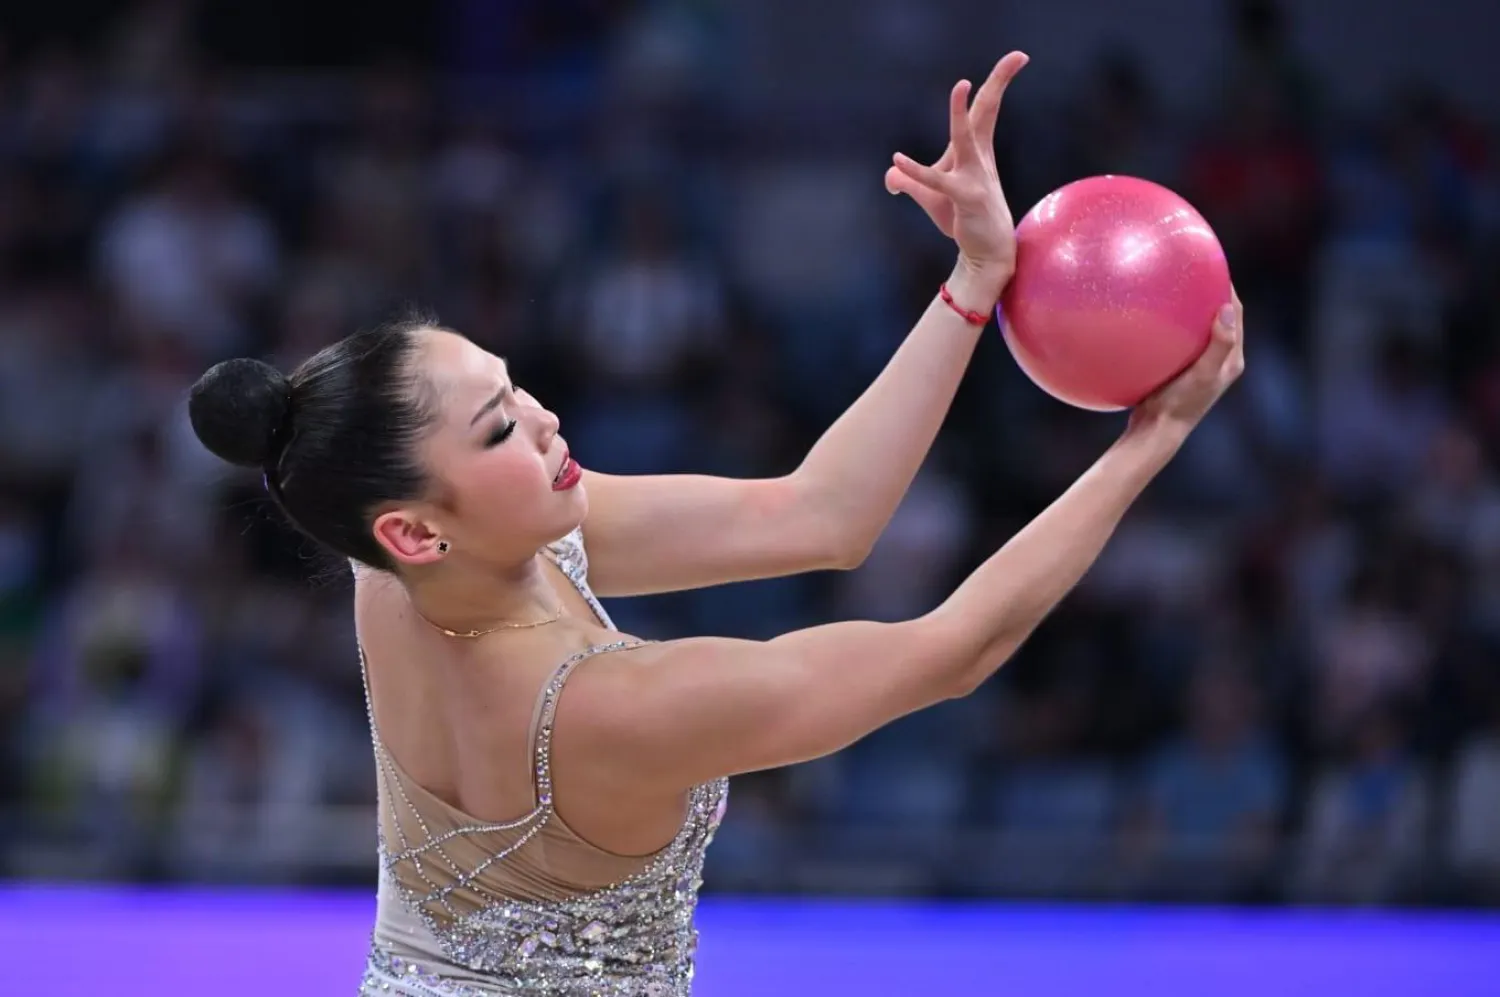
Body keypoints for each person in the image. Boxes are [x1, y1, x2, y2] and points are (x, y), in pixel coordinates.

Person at [187, 53, 1243, 997]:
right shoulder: (612, 707)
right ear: (418, 526)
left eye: (516, 389)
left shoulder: (401, 560)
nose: (549, 420)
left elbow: (821, 514)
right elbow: (956, 650)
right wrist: (1151, 439)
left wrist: (973, 282)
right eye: (503, 426)